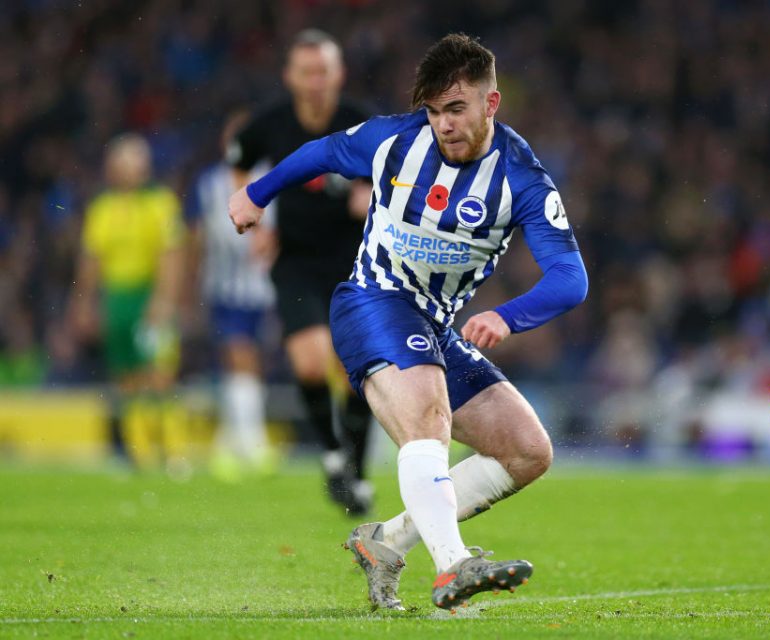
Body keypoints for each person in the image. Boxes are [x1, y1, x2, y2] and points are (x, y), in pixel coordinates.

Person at [229, 33, 588, 611]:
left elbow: (571, 279)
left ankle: (387, 541)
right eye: (434, 111)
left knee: (528, 451)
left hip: (436, 326)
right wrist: (256, 193)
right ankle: (453, 566)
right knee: (428, 418)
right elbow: (321, 152)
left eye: (457, 109)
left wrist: (506, 315)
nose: (443, 124)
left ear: (490, 105)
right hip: (372, 301)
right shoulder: (394, 139)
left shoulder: (521, 177)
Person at [227, 29, 375, 513]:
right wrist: (256, 211)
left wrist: (371, 194)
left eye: (324, 71)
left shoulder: (362, 123)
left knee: (357, 372)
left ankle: (355, 466)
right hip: (294, 259)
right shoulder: (271, 121)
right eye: (306, 72)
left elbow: (401, 175)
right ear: (290, 77)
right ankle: (334, 457)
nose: (315, 81)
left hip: (355, 260)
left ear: (339, 75)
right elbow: (238, 159)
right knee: (311, 362)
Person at [71, 133, 188, 470]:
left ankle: (175, 452)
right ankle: (142, 455)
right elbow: (90, 261)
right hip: (117, 299)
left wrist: (164, 300)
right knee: (126, 377)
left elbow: (172, 255)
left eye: (137, 161)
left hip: (149, 293)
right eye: (124, 162)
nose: (131, 169)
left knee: (161, 374)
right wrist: (83, 303)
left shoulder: (160, 203)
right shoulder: (102, 208)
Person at [192, 110, 278, 481]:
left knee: (249, 366)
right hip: (226, 289)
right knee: (238, 358)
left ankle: (233, 442)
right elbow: (196, 236)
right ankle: (252, 444)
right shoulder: (209, 183)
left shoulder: (275, 177)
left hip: (270, 290)